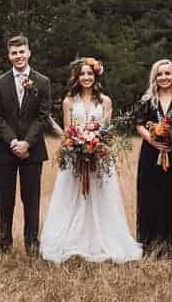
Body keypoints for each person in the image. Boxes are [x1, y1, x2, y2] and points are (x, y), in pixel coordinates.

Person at [40, 57, 142, 263]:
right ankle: (70, 241)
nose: (86, 77)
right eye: (82, 74)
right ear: (77, 77)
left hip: (98, 156)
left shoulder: (105, 101)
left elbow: (106, 131)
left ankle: (101, 241)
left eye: (90, 74)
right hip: (74, 157)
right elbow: (67, 131)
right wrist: (76, 146)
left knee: (100, 197)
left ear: (96, 76)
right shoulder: (69, 101)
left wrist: (95, 145)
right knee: (73, 197)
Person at [0, 34, 52, 255]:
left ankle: (32, 245)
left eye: (21, 51)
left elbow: (43, 116)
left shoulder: (42, 82)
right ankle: (3, 245)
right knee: (5, 199)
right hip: (5, 150)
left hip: (33, 151)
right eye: (14, 53)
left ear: (29, 53)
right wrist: (13, 141)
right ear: (9, 56)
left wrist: (27, 143)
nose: (18, 56)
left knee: (31, 200)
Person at [134, 58, 172, 259]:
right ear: (154, 77)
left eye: (168, 73)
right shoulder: (147, 100)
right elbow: (139, 124)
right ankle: (150, 244)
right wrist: (153, 140)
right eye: (160, 74)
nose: (164, 77)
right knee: (151, 196)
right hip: (151, 154)